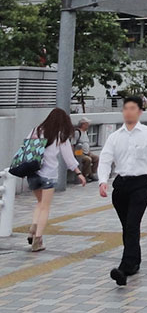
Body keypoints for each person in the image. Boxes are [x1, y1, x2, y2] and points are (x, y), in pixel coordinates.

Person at [98, 96, 147, 286]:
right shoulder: (115, 137)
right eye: (125, 108)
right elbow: (105, 159)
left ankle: (125, 268)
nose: (128, 112)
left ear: (140, 111)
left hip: (141, 184)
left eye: (132, 108)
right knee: (128, 226)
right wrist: (102, 181)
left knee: (132, 224)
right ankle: (135, 262)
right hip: (121, 185)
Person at [26, 108, 86, 252]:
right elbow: (69, 158)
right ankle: (38, 239)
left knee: (39, 203)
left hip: (33, 173)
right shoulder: (60, 136)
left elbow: (26, 148)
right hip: (49, 175)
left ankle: (33, 227)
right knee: (45, 207)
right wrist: (79, 173)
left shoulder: (36, 131)